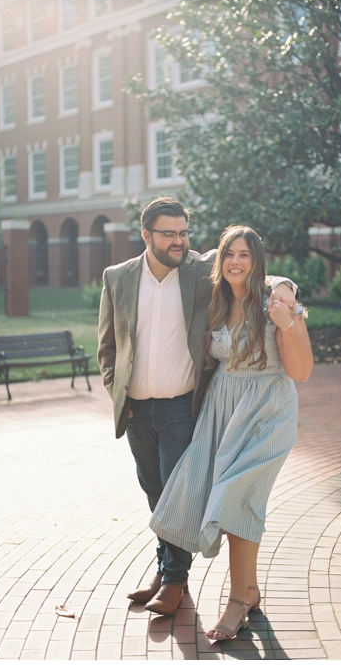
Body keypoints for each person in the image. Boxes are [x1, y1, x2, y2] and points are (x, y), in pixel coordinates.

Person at [97, 198, 296, 617]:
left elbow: (246, 265)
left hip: (181, 406)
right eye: (168, 233)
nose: (179, 241)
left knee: (178, 489)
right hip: (136, 409)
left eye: (184, 232)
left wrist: (284, 287)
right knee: (155, 491)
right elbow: (108, 346)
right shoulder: (117, 278)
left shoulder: (195, 269)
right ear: (146, 234)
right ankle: (165, 569)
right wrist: (119, 391)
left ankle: (174, 581)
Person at [149, 224, 313, 640]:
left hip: (267, 410)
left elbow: (303, 371)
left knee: (235, 496)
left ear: (258, 261)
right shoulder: (217, 301)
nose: (236, 262)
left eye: (245, 254)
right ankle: (251, 590)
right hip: (221, 410)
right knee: (224, 499)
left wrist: (287, 317)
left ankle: (237, 602)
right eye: (230, 254)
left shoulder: (272, 302)